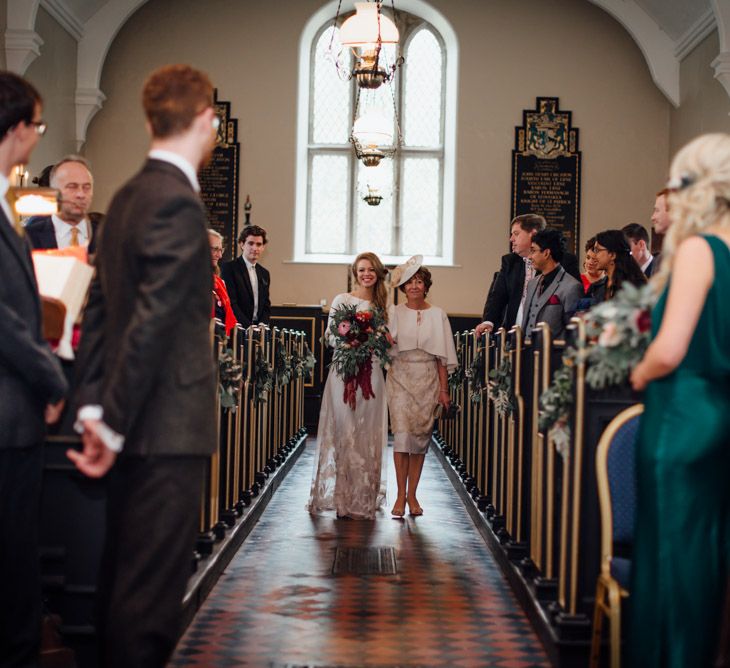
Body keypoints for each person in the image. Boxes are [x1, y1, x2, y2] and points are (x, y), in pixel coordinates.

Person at [68, 64, 219, 667]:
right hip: (167, 428)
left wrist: (94, 405)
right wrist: (110, 422)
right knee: (149, 601)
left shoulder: (127, 196)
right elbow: (152, 324)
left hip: (133, 423)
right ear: (206, 120)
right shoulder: (178, 203)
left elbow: (100, 309)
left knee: (120, 582)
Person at [629, 133, 730, 667]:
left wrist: (641, 372)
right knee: (704, 549)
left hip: (681, 415)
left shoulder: (699, 249)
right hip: (718, 413)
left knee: (669, 555)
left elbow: (669, 348)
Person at [0, 71, 67, 668]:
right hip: (8, 410)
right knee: (12, 554)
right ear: (18, 130)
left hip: (14, 408)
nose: (36, 139)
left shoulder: (9, 204)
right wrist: (51, 378)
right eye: (37, 127)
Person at [307, 251, 389, 519]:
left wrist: (371, 341)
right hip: (343, 371)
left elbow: (386, 339)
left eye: (371, 270)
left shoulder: (381, 305)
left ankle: (363, 496)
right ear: (355, 272)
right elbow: (330, 335)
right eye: (361, 269)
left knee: (367, 429)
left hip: (372, 371)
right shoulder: (342, 300)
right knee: (344, 428)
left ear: (377, 273)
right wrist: (350, 339)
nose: (366, 274)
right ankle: (342, 497)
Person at [386, 257, 457, 517]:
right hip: (400, 377)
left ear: (426, 286)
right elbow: (386, 349)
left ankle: (413, 494)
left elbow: (442, 357)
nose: (414, 286)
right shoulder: (394, 312)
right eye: (410, 282)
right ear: (403, 287)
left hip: (428, 379)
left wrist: (444, 390)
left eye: (419, 282)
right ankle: (399, 496)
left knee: (419, 440)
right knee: (402, 437)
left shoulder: (438, 315)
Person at [475, 214, 580, 336]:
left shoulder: (562, 261)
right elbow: (497, 296)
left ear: (533, 234)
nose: (511, 239)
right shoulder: (510, 262)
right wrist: (488, 322)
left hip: (549, 337)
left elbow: (573, 301)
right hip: (514, 334)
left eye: (516, 233)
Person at [25, 155, 100, 254]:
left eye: (86, 187)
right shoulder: (27, 238)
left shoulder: (107, 236)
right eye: (72, 187)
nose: (81, 194)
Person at [521, 228, 584, 339]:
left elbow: (574, 333)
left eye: (533, 250)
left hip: (553, 354)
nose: (530, 257)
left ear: (546, 253)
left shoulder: (572, 287)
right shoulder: (531, 284)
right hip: (528, 353)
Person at [221, 224, 271, 327]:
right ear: (242, 244)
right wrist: (248, 326)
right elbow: (231, 303)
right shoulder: (229, 269)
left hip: (258, 329)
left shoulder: (264, 273)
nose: (255, 248)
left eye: (259, 244)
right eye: (251, 243)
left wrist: (262, 324)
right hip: (237, 328)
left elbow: (266, 305)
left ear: (263, 247)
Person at [586, 229, 646, 304]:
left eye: (597, 250)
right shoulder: (595, 288)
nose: (594, 256)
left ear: (612, 255)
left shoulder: (635, 287)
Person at [209, 228, 237, 335]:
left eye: (221, 250)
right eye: (215, 249)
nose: (219, 255)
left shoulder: (219, 282)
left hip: (219, 339)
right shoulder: (191, 278)